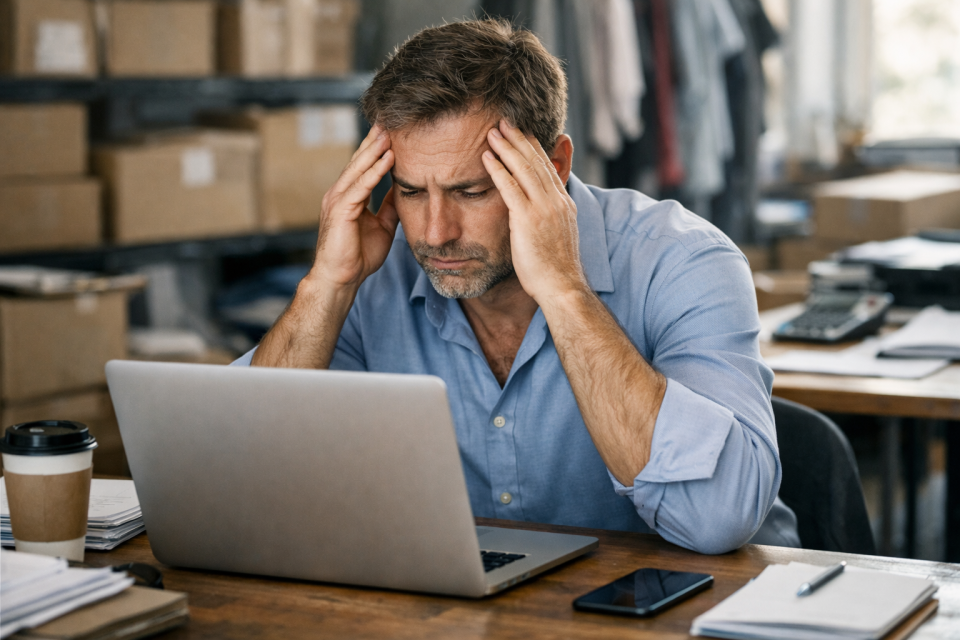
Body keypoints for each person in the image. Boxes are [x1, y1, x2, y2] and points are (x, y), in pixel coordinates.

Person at [233, 18, 799, 554]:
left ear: (553, 167)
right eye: (409, 191)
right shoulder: (375, 275)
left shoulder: (684, 261)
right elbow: (244, 479)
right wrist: (326, 284)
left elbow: (716, 520)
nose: (435, 233)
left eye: (471, 192)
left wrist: (564, 292)